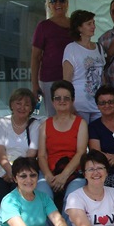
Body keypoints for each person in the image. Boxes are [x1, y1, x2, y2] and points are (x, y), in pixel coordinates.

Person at [0, 88, 40, 226]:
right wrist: (10, 172)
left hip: (24, 170)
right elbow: (0, 152)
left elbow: (31, 153)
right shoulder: (2, 123)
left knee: (20, 192)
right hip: (2, 170)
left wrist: (17, 175)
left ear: (31, 108)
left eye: (26, 104)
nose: (22, 107)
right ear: (12, 105)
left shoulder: (35, 125)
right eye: (19, 103)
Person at [37, 80, 89, 210]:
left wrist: (64, 176)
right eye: (58, 98)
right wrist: (48, 176)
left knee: (73, 198)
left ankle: (67, 224)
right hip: (49, 172)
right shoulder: (45, 125)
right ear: (52, 101)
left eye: (66, 98)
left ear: (72, 100)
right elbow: (41, 155)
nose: (62, 101)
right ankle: (47, 225)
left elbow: (81, 152)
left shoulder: (81, 123)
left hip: (74, 172)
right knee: (43, 196)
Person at [32, 0, 72, 116]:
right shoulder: (43, 26)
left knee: (73, 115)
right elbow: (35, 57)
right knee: (54, 116)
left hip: (74, 78)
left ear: (67, 3)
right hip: (50, 78)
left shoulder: (75, 25)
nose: (58, 3)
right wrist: (34, 84)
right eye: (53, 0)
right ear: (48, 5)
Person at [63, 9, 106, 124]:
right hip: (79, 105)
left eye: (93, 23)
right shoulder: (71, 48)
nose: (93, 26)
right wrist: (69, 104)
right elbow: (66, 80)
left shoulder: (98, 48)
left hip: (98, 105)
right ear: (79, 28)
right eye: (89, 24)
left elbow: (102, 77)